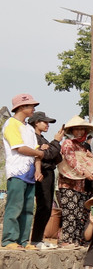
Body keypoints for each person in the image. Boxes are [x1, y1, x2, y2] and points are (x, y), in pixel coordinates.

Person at [2, 93, 44, 249]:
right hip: (17, 171)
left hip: (30, 172)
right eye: (31, 106)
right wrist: (39, 154)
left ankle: (23, 240)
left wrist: (38, 169)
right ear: (21, 107)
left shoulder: (29, 128)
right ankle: (9, 240)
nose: (33, 108)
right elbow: (20, 148)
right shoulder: (11, 124)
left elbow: (35, 149)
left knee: (27, 208)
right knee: (15, 206)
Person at [56, 116, 93, 248]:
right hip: (68, 184)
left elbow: (87, 162)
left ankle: (76, 240)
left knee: (79, 213)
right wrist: (85, 172)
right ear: (72, 131)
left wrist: (90, 157)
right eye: (76, 129)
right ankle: (66, 240)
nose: (79, 132)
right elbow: (70, 160)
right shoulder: (68, 143)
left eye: (81, 129)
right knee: (70, 212)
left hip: (81, 185)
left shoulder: (83, 147)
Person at [29, 111, 64, 249]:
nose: (47, 125)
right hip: (41, 173)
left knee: (48, 207)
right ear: (36, 122)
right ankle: (35, 239)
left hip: (49, 173)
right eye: (45, 122)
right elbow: (48, 155)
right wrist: (55, 143)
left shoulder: (43, 139)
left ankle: (39, 238)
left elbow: (56, 157)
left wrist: (50, 148)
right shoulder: (33, 138)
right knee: (43, 205)